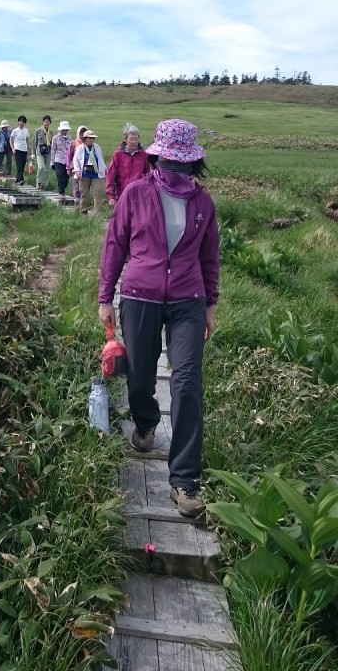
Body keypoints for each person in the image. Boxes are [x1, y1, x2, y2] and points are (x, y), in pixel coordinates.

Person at [98, 119, 219, 519]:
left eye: (183, 163)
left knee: (186, 382)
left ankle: (184, 480)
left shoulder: (203, 203)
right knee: (140, 378)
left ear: (193, 163)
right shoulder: (135, 194)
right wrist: (105, 298)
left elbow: (209, 258)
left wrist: (210, 304)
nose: (175, 168)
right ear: (157, 155)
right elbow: (114, 246)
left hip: (188, 298)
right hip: (139, 295)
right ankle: (147, 424)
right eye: (170, 160)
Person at [106, 123, 151, 206]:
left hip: (139, 194)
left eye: (136, 139)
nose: (134, 142)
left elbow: (147, 175)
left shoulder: (143, 155)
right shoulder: (118, 154)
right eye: (131, 139)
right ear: (125, 139)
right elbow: (111, 176)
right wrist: (111, 196)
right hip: (122, 193)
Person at [72, 129, 106, 214]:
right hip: (84, 174)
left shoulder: (97, 147)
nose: (91, 140)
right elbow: (75, 160)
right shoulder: (80, 148)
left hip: (96, 174)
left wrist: (105, 169)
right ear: (85, 139)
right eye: (89, 138)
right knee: (84, 193)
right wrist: (77, 170)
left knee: (98, 192)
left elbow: (101, 159)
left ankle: (98, 213)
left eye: (92, 138)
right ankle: (83, 210)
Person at [51, 120, 72, 199]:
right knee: (60, 175)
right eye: (63, 130)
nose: (64, 131)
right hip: (58, 159)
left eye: (66, 130)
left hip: (67, 161)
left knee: (66, 178)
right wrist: (52, 162)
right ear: (60, 130)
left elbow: (71, 150)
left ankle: (62, 187)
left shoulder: (69, 138)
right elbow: (53, 150)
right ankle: (61, 192)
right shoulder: (55, 138)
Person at [67, 126, 87, 205]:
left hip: (85, 168)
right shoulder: (73, 143)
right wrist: (68, 167)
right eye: (81, 134)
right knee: (76, 184)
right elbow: (69, 156)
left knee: (82, 185)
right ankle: (76, 200)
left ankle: (83, 201)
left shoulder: (88, 144)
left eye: (84, 134)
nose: (82, 135)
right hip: (74, 167)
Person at [33, 115, 53, 189]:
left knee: (47, 168)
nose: (46, 123)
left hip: (48, 151)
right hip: (40, 151)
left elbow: (52, 143)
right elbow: (35, 142)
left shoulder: (51, 132)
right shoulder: (38, 131)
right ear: (42, 122)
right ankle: (39, 182)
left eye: (48, 122)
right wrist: (33, 153)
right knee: (41, 167)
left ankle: (44, 184)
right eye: (45, 121)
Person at [10, 115, 30, 185]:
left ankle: (17, 179)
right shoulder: (15, 131)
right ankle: (21, 179)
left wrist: (28, 148)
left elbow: (27, 140)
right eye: (20, 122)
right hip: (17, 149)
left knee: (23, 165)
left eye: (23, 122)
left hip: (24, 150)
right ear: (18, 122)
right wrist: (12, 148)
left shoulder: (26, 131)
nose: (21, 123)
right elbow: (11, 140)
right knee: (19, 165)